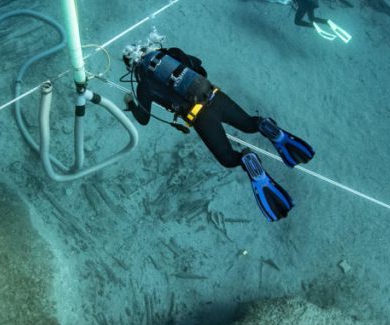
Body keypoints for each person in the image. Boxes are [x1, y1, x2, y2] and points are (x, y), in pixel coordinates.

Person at [121, 36, 314, 221]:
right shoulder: (172, 53)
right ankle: (264, 124)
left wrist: (130, 103)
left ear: (132, 67)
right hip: (215, 96)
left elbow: (143, 119)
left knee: (228, 159)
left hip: (201, 116)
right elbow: (200, 66)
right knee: (249, 125)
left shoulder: (144, 86)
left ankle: (246, 159)